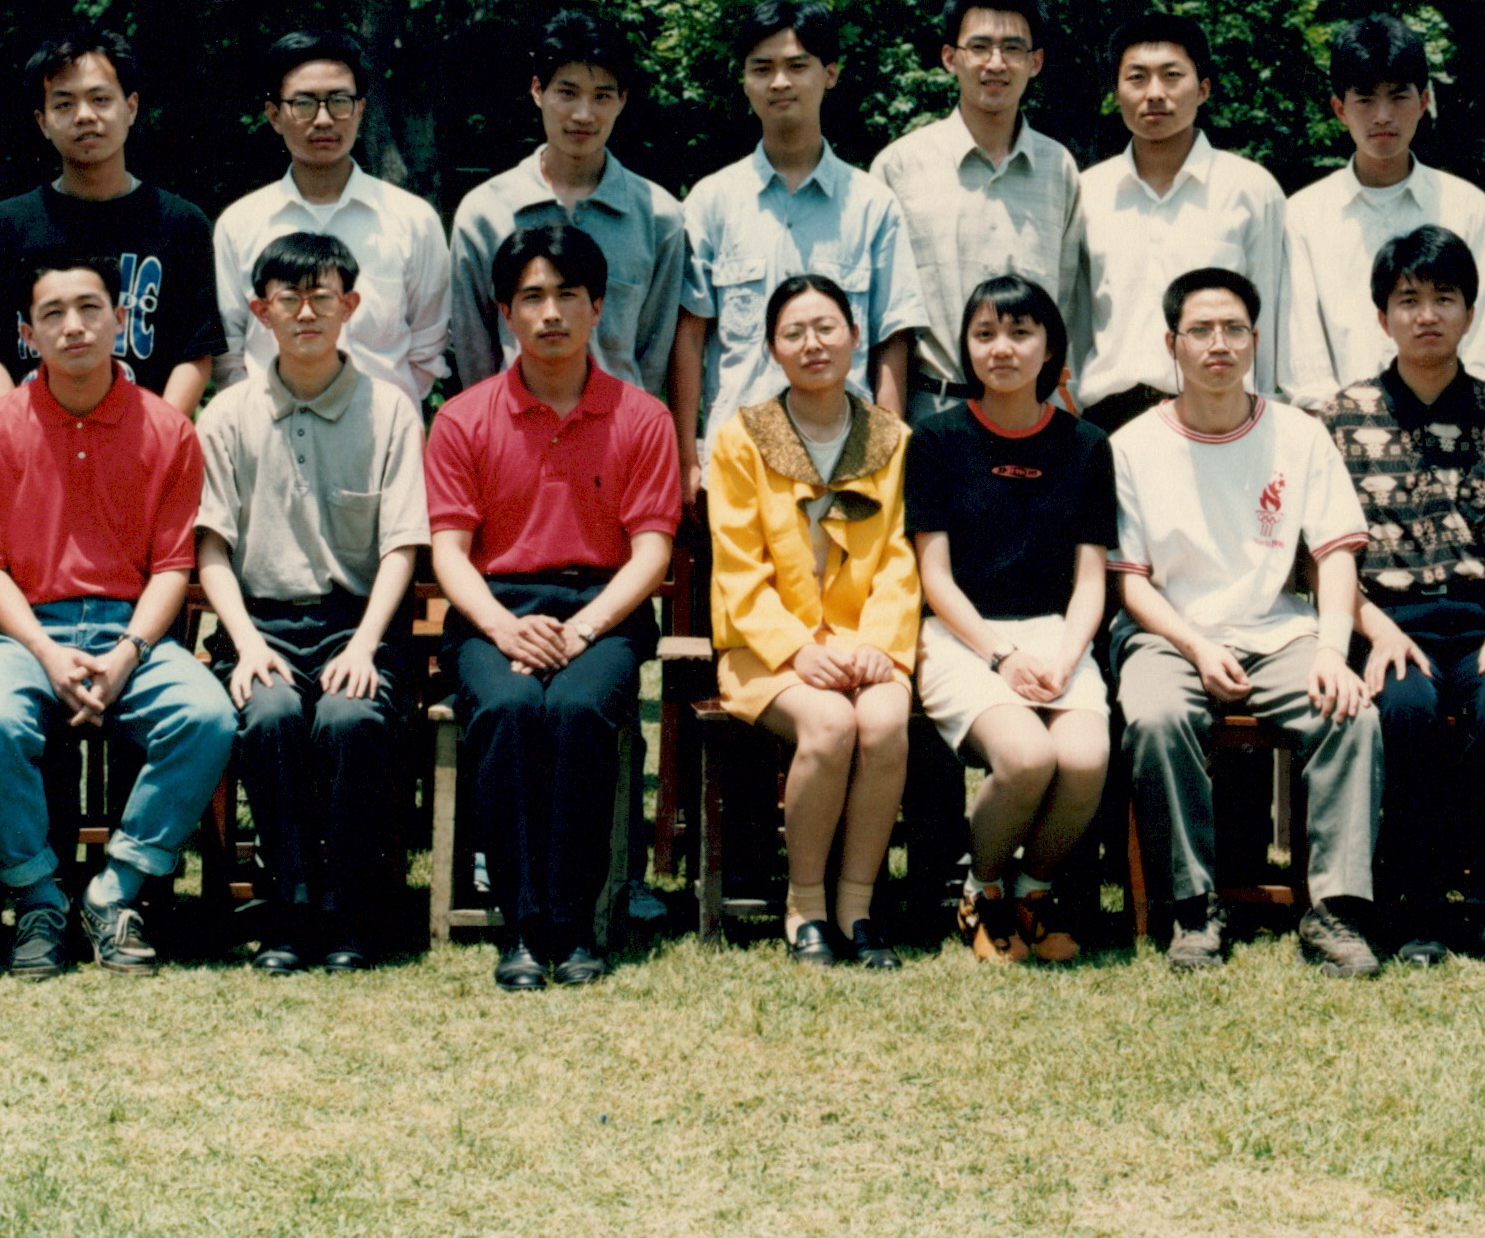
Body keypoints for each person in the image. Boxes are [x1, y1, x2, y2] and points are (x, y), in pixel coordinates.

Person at [0, 254, 236, 977]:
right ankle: (38, 898)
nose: (74, 326)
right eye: (51, 314)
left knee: (207, 716)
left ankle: (115, 891)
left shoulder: (168, 430)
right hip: (27, 633)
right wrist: (47, 655)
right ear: (27, 335)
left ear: (121, 319)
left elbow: (173, 566)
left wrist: (128, 653)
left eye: (90, 308)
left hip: (132, 633)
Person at [425, 222, 681, 990]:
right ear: (504, 312)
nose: (550, 314)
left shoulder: (642, 417)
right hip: (494, 608)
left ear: (597, 307)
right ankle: (522, 927)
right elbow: (449, 552)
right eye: (530, 297)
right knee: (507, 709)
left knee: (574, 710)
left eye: (567, 295)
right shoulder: (462, 418)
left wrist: (583, 629)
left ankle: (571, 927)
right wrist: (504, 628)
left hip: (602, 607)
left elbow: (651, 553)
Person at [1110, 267, 1383, 976]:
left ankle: (1336, 910)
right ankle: (1193, 906)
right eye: (1200, 330)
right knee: (1155, 716)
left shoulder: (1299, 434)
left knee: (1350, 712)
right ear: (1171, 344)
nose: (1219, 344)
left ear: (1255, 341)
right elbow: (1131, 581)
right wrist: (1196, 647)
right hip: (1169, 633)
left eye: (1234, 329)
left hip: (1278, 630)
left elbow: (1334, 554)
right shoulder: (1132, 445)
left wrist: (1332, 649)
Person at [1306, 225, 1485, 965]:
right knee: (1405, 710)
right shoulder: (1340, 419)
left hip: (1481, 620)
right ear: (1382, 316)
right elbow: (1324, 555)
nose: (1426, 315)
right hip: (1383, 621)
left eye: (1444, 298)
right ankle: (1415, 907)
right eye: (1408, 300)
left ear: (1470, 312)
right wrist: (1375, 630)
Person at [193, 231, 430, 974]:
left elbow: (401, 546)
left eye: (321, 297)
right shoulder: (227, 414)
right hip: (259, 623)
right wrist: (245, 644)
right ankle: (290, 908)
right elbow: (211, 548)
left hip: (356, 624)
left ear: (349, 306)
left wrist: (364, 645)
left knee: (349, 719)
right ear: (260, 310)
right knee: (268, 717)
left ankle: (351, 908)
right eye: (287, 298)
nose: (305, 313)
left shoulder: (390, 411)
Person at [703, 275, 920, 969]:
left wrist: (875, 645)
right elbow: (738, 568)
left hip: (866, 643)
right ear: (772, 348)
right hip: (765, 647)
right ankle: (805, 904)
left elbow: (900, 556)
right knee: (828, 724)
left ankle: (856, 905)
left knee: (882, 721)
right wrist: (797, 649)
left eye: (827, 328)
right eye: (793, 333)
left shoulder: (892, 439)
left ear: (855, 337)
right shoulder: (742, 439)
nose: (812, 344)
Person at [907, 275, 1114, 964]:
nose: (1002, 348)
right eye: (985, 333)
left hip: (1055, 635)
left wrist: (1066, 655)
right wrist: (1001, 656)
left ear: (1049, 347)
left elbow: (1091, 580)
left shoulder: (1086, 444)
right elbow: (935, 578)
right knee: (1026, 758)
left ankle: (1031, 893)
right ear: (966, 348)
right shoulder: (935, 439)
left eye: (1020, 333)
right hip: (960, 638)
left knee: (1083, 760)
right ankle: (981, 890)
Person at [673, 0, 927, 484]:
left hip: (846, 463)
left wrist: (886, 453)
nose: (779, 82)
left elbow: (892, 338)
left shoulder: (872, 204)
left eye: (796, 66)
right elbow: (690, 337)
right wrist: (688, 456)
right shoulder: (711, 201)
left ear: (830, 74)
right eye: (762, 68)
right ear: (744, 80)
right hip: (737, 464)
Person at [0, 29, 223, 412]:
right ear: (43, 122)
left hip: (145, 436)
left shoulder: (180, 224)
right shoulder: (6, 227)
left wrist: (160, 438)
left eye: (100, 99)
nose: (84, 116)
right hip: (33, 436)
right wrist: (16, 435)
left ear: (130, 107)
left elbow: (194, 351)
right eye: (64, 104)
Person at [869, 0, 1089, 416]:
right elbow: (886, 316)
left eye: (1012, 49)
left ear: (1036, 62)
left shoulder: (1058, 169)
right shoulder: (900, 168)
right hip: (932, 412)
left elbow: (1065, 305)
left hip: (1034, 415)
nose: (996, 63)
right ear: (950, 58)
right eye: (980, 47)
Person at [447, 8, 691, 403]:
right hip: (513, 433)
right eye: (567, 92)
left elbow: (652, 351)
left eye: (602, 96)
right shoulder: (485, 214)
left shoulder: (659, 217)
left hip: (620, 434)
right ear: (537, 91)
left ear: (622, 100)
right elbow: (475, 352)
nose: (583, 114)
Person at [1074, 14, 1291, 433]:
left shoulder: (1249, 189)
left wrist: (1265, 417)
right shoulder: (1088, 194)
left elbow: (1271, 317)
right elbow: (1078, 319)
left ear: (1203, 88)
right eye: (1137, 78)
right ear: (1116, 93)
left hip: (1224, 414)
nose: (1155, 93)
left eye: (1172, 76)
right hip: (1110, 419)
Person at [211, 30, 449, 407]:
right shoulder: (239, 225)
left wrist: (380, 418)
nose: (323, 120)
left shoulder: (412, 220)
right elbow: (229, 353)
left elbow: (427, 349)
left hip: (381, 433)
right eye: (303, 104)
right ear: (274, 115)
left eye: (339, 101)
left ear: (360, 109)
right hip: (270, 430)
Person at [1282, 14, 1485, 407]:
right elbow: (1303, 354)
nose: (1382, 115)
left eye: (1399, 97)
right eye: (1365, 99)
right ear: (1339, 109)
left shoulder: (1466, 206)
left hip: (1455, 422)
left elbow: (1481, 340)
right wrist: (1339, 422)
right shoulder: (1303, 215)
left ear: (1423, 102)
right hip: (1337, 426)